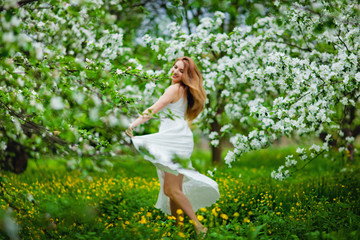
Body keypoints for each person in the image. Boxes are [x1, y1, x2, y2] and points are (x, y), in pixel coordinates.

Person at [125, 56, 220, 236]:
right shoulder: (184, 91)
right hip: (179, 138)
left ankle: (199, 226)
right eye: (175, 68)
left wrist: (133, 124)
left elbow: (153, 110)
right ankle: (180, 231)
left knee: (171, 189)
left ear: (186, 76)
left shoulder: (173, 89)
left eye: (181, 71)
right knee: (172, 189)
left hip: (174, 140)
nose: (175, 72)